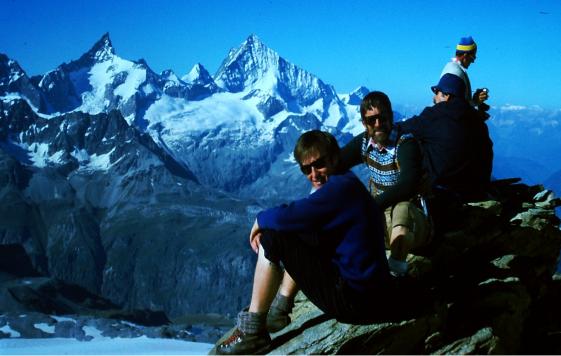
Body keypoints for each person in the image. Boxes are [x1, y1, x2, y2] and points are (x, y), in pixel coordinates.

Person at [213, 130, 391, 355]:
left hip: (354, 301)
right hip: (368, 293)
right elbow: (303, 219)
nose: (314, 174)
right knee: (300, 232)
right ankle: (279, 311)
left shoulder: (339, 189)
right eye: (307, 169)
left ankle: (253, 333)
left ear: (334, 157)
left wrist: (259, 220)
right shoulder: (346, 182)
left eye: (319, 164)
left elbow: (287, 217)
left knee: (273, 238)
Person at [339, 91, 431, 278]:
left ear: (391, 116)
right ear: (364, 124)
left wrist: (369, 207)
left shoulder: (405, 143)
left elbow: (408, 185)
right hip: (381, 222)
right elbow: (336, 164)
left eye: (382, 118)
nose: (378, 124)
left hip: (412, 224)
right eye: (371, 120)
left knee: (402, 208)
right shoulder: (365, 142)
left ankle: (396, 271)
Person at [396, 74, 493, 233]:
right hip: (475, 191)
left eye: (437, 92)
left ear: (446, 95)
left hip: (440, 194)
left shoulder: (434, 115)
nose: (434, 97)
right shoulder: (478, 120)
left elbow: (401, 129)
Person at [441, 36, 490, 113]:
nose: (473, 61)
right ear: (465, 55)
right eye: (473, 57)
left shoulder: (451, 68)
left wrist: (475, 100)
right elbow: (455, 108)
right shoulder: (454, 72)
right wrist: (475, 102)